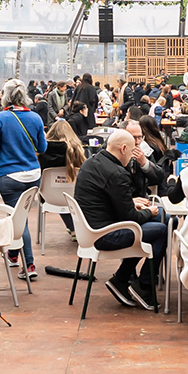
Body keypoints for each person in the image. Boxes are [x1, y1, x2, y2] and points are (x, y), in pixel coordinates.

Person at [74, 130, 167, 312]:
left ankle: (122, 279)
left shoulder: (91, 162)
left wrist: (130, 202)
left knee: (151, 228)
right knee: (161, 229)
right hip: (105, 235)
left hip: (89, 230)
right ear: (123, 148)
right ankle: (144, 286)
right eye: (132, 150)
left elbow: (103, 197)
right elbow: (131, 218)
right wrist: (149, 211)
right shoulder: (117, 173)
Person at [0, 85, 45, 270]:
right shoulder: (35, 117)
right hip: (33, 175)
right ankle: (13, 255)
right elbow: (42, 148)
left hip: (9, 176)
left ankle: (29, 264)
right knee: (21, 215)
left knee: (18, 220)